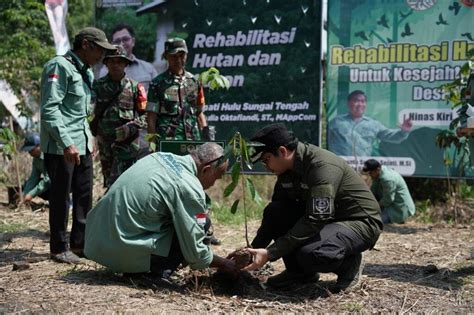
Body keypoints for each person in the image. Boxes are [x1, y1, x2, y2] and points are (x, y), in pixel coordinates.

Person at [237, 123, 383, 292]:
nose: (266, 166)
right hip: (329, 220)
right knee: (276, 211)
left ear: (283, 151)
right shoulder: (287, 169)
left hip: (359, 222)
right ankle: (299, 273)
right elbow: (276, 216)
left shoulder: (321, 167)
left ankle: (349, 264)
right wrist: (251, 253)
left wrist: (270, 253)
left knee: (312, 253)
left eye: (266, 160)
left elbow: (317, 218)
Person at [84, 143, 237, 284]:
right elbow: (196, 255)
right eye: (216, 178)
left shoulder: (159, 156)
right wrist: (225, 264)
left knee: (198, 219)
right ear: (206, 169)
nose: (213, 184)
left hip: (96, 240)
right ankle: (149, 275)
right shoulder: (189, 186)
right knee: (201, 222)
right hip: (119, 250)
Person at [40, 27, 115, 264]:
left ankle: (79, 245)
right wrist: (67, 143)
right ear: (86, 45)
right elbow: (50, 109)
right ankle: (59, 248)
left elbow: (80, 114)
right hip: (62, 146)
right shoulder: (58, 66)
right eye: (100, 49)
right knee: (61, 197)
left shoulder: (85, 72)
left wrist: (88, 138)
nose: (103, 54)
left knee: (84, 196)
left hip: (81, 144)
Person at [91, 45, 147, 188]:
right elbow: (90, 114)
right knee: (110, 182)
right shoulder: (97, 87)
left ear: (126, 64)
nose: (116, 65)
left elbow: (146, 116)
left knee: (126, 184)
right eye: (112, 61)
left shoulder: (136, 88)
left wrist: (130, 128)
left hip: (127, 146)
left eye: (120, 62)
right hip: (106, 145)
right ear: (106, 63)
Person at [146, 37, 212, 143]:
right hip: (168, 142)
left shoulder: (194, 82)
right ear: (166, 57)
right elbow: (151, 118)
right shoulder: (157, 84)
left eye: (181, 55)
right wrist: (152, 144)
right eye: (173, 56)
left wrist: (206, 134)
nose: (178, 60)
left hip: (192, 141)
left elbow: (199, 113)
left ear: (186, 56)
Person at [328, 90, 413, 157]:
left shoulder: (373, 124)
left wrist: (404, 131)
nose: (360, 104)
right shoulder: (336, 122)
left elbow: (392, 136)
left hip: (363, 169)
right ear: (348, 103)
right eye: (356, 101)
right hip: (341, 167)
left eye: (363, 101)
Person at [99, 23, 157, 92]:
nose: (121, 44)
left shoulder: (148, 69)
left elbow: (157, 95)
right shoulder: (104, 71)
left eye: (125, 39)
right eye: (117, 41)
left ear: (133, 41)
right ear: (112, 45)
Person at [363, 159, 416, 224]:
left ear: (377, 169)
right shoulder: (379, 173)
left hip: (399, 208)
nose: (369, 175)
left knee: (374, 223)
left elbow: (388, 199)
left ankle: (401, 219)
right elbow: (373, 191)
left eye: (370, 173)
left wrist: (372, 206)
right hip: (389, 205)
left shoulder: (388, 179)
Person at [18, 133, 50, 206]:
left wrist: (31, 194)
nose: (29, 153)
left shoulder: (49, 155)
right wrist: (25, 193)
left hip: (61, 183)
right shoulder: (36, 160)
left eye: (31, 150)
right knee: (27, 184)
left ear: (39, 146)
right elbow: (33, 178)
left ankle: (66, 202)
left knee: (54, 183)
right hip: (49, 183)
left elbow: (48, 178)